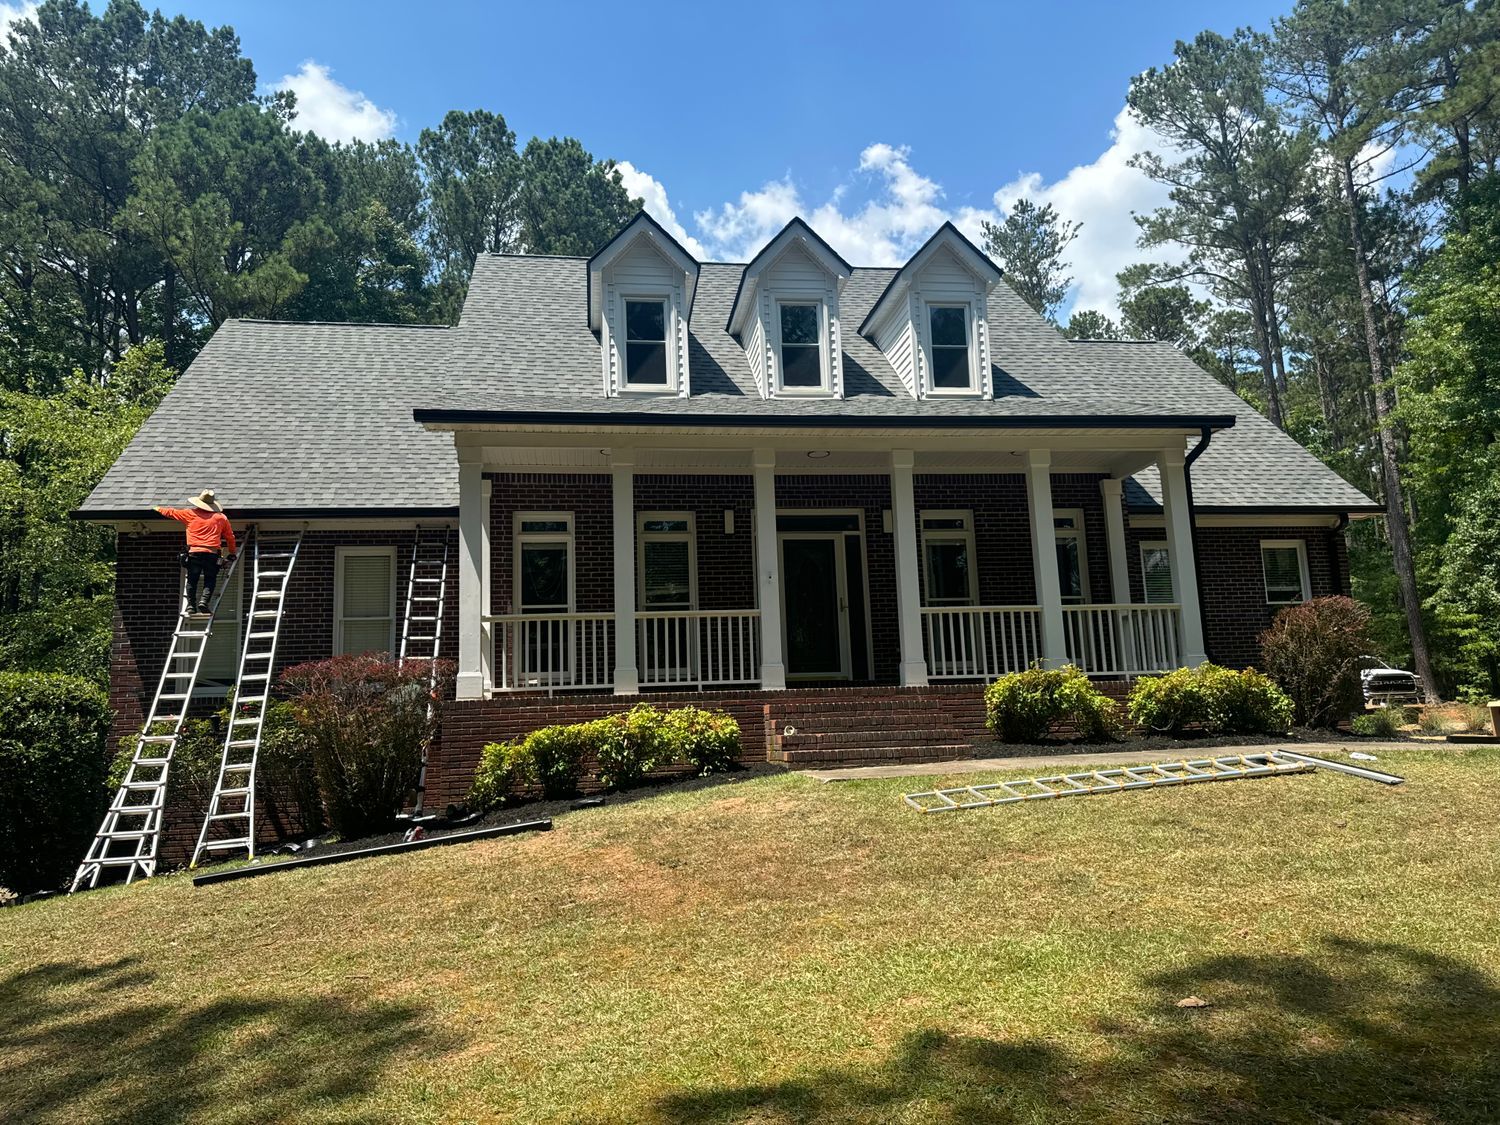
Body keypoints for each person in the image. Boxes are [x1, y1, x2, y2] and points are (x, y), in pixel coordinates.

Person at [155, 490, 237, 615]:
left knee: (192, 580)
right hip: (212, 554)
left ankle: (191, 606)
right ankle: (204, 602)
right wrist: (232, 552)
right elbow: (230, 537)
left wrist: (155, 507)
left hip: (194, 553)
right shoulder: (221, 518)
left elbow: (171, 512)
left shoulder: (190, 514)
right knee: (210, 579)